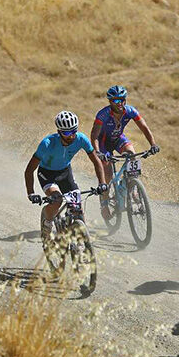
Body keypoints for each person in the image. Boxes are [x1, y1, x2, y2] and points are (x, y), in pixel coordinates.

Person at [25, 111, 107, 247]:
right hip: (47, 174)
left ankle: (83, 241)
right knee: (56, 200)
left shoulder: (81, 139)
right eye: (67, 133)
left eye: (74, 131)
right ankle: (47, 222)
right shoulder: (47, 143)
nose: (72, 136)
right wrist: (31, 193)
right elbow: (29, 170)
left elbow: (96, 161)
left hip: (64, 172)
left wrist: (102, 183)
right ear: (59, 131)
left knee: (77, 207)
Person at [90, 85, 159, 220]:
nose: (120, 103)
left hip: (117, 139)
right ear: (110, 102)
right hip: (103, 143)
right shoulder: (102, 114)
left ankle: (132, 187)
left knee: (132, 155)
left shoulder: (130, 111)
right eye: (116, 101)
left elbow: (144, 127)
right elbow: (94, 135)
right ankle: (104, 204)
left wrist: (153, 144)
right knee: (108, 174)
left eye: (122, 100)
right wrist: (98, 152)